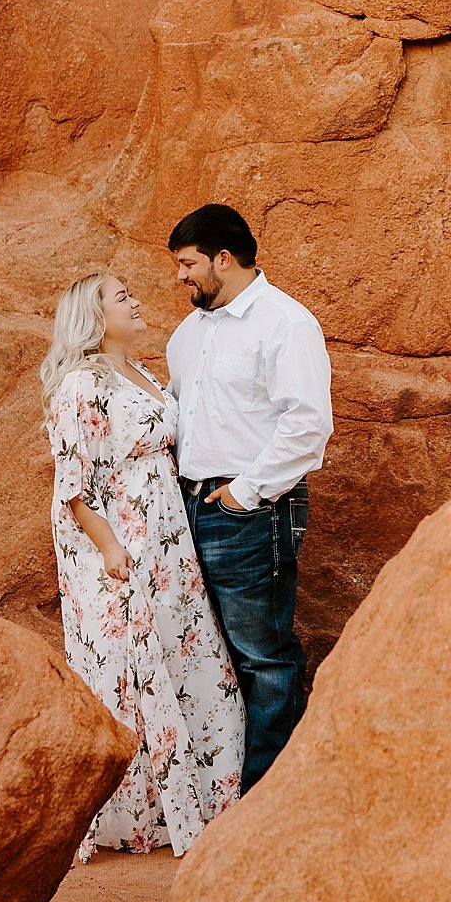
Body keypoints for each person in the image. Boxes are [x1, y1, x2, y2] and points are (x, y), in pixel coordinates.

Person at [42, 272, 245, 856]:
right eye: (120, 296)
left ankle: (211, 795)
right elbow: (73, 485)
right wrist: (109, 548)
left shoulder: (143, 375)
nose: (134, 300)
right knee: (134, 669)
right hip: (122, 548)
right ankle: (138, 816)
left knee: (190, 658)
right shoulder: (81, 385)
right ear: (93, 317)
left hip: (169, 544)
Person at [166, 203, 331, 792]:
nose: (180, 277)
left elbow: (307, 425)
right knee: (208, 655)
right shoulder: (188, 335)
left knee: (264, 656)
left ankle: (268, 799)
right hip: (189, 509)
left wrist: (245, 493)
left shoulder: (285, 323)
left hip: (253, 510)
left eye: (187, 264)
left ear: (223, 258)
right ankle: (218, 795)